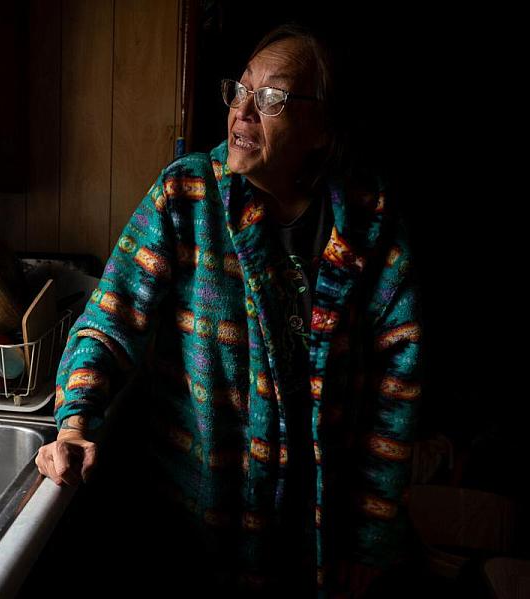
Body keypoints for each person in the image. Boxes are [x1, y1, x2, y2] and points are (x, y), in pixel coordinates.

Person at [35, 21, 424, 599]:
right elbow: (109, 320)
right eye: (239, 91)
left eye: (272, 99)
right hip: (199, 519)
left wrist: (371, 537)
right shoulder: (187, 194)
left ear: (320, 127)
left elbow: (397, 389)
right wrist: (74, 421)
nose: (243, 112)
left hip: (321, 525)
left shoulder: (370, 223)